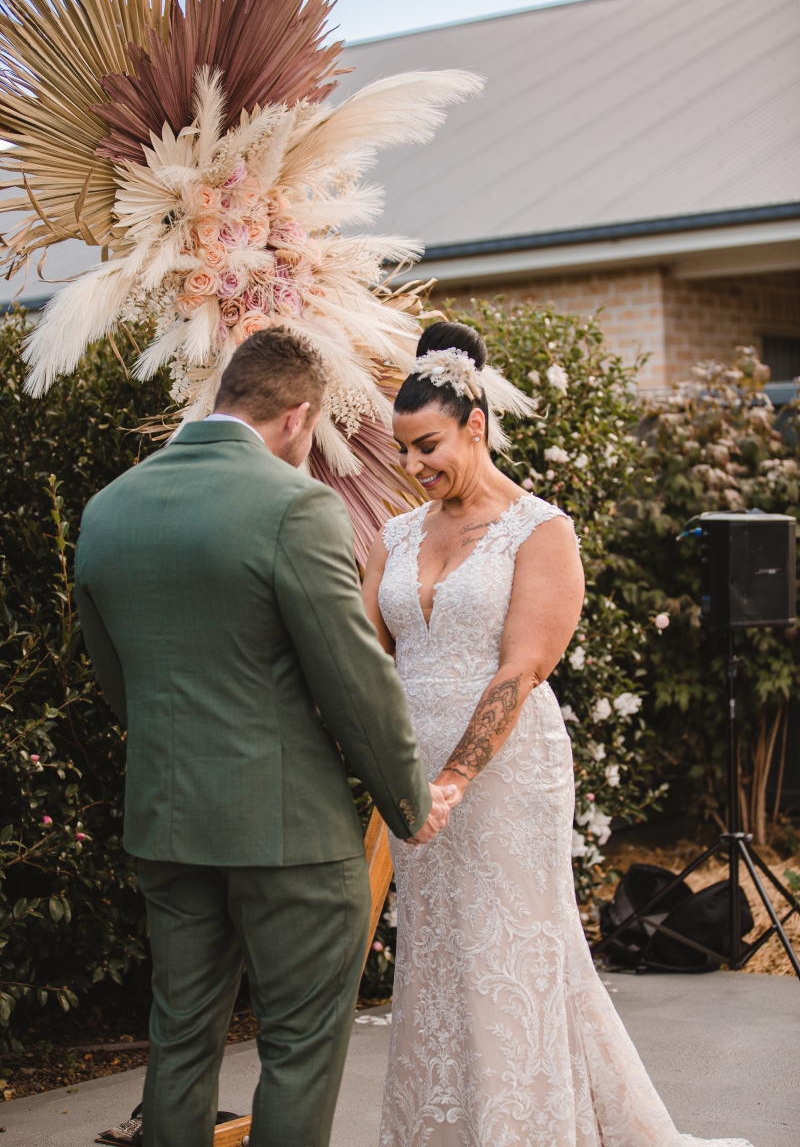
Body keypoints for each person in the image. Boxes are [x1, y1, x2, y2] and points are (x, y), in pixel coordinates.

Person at [362, 322, 754, 1147]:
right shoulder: (396, 535)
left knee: (509, 949)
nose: (414, 465)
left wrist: (454, 779)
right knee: (435, 950)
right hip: (411, 775)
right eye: (403, 451)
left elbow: (523, 667)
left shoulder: (540, 530)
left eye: (427, 445)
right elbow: (366, 654)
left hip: (505, 775)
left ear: (475, 424)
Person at [74, 328, 453, 1147]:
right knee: (298, 1045)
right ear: (298, 417)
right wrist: (408, 801)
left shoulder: (107, 510)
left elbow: (119, 682)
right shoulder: (295, 506)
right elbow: (353, 680)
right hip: (290, 834)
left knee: (179, 1037)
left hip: (168, 822)